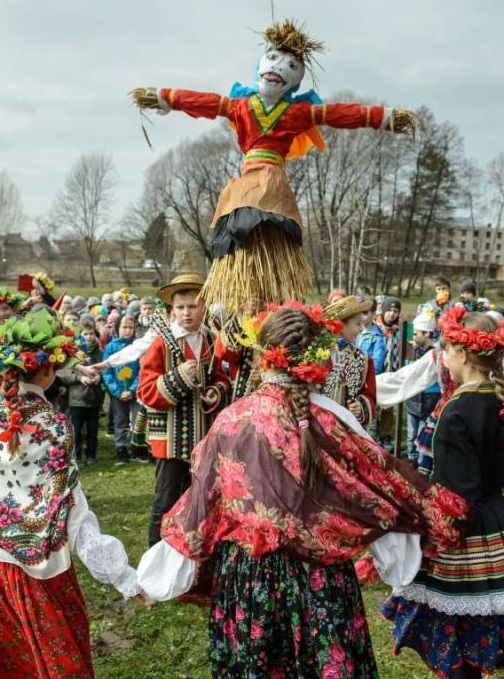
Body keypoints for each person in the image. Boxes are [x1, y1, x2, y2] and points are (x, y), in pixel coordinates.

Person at [137, 302, 468, 679]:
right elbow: (376, 491)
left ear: (264, 355)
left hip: (251, 583)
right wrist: (402, 554)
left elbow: (198, 509)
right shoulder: (334, 420)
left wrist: (157, 578)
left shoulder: (231, 421)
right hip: (321, 583)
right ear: (316, 358)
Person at [131, 18, 417, 312]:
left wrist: (382, 117)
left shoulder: (297, 112)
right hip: (247, 179)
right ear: (260, 66)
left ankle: (268, 292)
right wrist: (165, 97)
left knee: (270, 231)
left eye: (290, 67)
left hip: (274, 184)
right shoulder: (240, 107)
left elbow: (337, 114)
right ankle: (241, 281)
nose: (279, 69)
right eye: (273, 60)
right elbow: (207, 102)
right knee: (239, 224)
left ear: (296, 79)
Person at [0, 309, 143, 678]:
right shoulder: (54, 426)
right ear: (49, 368)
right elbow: (74, 512)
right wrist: (124, 577)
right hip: (41, 573)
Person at [381, 307, 504, 679]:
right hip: (498, 521)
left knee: (456, 627)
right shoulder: (496, 400)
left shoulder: (455, 412)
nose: (442, 358)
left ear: (463, 355)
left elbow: (456, 493)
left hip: (466, 531)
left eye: (445, 350)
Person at [136, 273, 230, 546]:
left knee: (200, 498)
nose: (187, 313)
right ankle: (156, 558)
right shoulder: (160, 344)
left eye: (193, 306)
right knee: (165, 501)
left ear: (204, 307)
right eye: (180, 307)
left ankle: (191, 554)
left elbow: (221, 380)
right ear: (172, 310)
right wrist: (178, 377)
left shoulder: (211, 340)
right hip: (170, 441)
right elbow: (146, 391)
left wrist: (216, 391)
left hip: (203, 437)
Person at [322, 295, 377, 426]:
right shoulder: (316, 356)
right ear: (340, 325)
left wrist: (360, 406)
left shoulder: (363, 359)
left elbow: (370, 395)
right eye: (358, 324)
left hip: (348, 430)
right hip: (319, 430)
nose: (361, 329)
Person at [58, 318, 103, 466]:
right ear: (80, 335)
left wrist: (98, 377)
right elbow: (63, 372)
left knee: (92, 429)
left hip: (94, 398)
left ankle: (92, 455)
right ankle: (76, 456)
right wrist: (79, 377)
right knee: (76, 431)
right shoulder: (73, 353)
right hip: (76, 399)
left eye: (91, 333)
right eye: (85, 334)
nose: (89, 337)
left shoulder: (99, 352)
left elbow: (106, 369)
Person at [102, 314, 140, 465]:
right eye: (124, 327)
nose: (127, 330)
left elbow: (142, 369)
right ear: (118, 328)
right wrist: (118, 391)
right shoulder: (111, 347)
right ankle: (121, 449)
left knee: (137, 420)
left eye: (130, 327)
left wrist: (132, 389)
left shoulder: (137, 346)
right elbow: (106, 370)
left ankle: (136, 447)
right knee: (120, 421)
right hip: (118, 392)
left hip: (135, 391)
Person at [404, 311, 439, 468]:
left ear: (427, 333)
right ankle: (411, 458)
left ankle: (420, 462)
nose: (413, 337)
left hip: (430, 399)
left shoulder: (436, 353)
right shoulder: (411, 350)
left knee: (422, 433)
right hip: (413, 398)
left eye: (416, 333)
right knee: (411, 433)